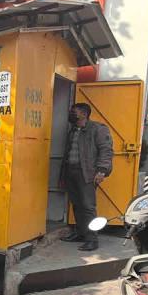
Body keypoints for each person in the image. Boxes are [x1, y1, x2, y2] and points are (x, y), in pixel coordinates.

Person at [60, 103, 114, 251]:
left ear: (84, 114)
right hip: (71, 171)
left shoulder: (98, 129)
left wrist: (102, 171)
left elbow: (106, 150)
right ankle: (80, 233)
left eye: (74, 112)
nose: (71, 114)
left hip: (87, 173)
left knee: (88, 206)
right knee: (77, 205)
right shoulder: (73, 130)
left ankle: (92, 239)